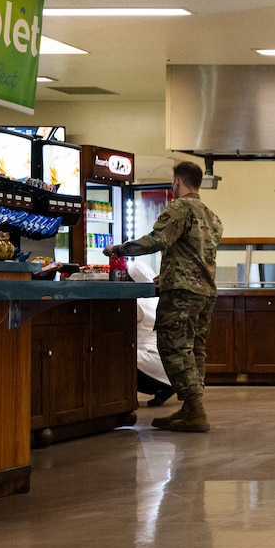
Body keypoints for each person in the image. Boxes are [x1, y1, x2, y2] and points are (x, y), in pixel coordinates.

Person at [106, 160, 222, 432]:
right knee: (195, 350)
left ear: (178, 182)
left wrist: (119, 249)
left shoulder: (179, 208)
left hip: (182, 294)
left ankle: (195, 411)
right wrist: (168, 273)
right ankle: (190, 408)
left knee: (173, 348)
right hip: (205, 291)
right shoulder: (211, 216)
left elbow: (157, 240)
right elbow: (195, 254)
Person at [128, 262, 174, 407]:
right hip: (169, 364)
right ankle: (165, 387)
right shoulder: (158, 299)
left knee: (115, 357)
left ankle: (124, 400)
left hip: (151, 359)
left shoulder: (138, 303)